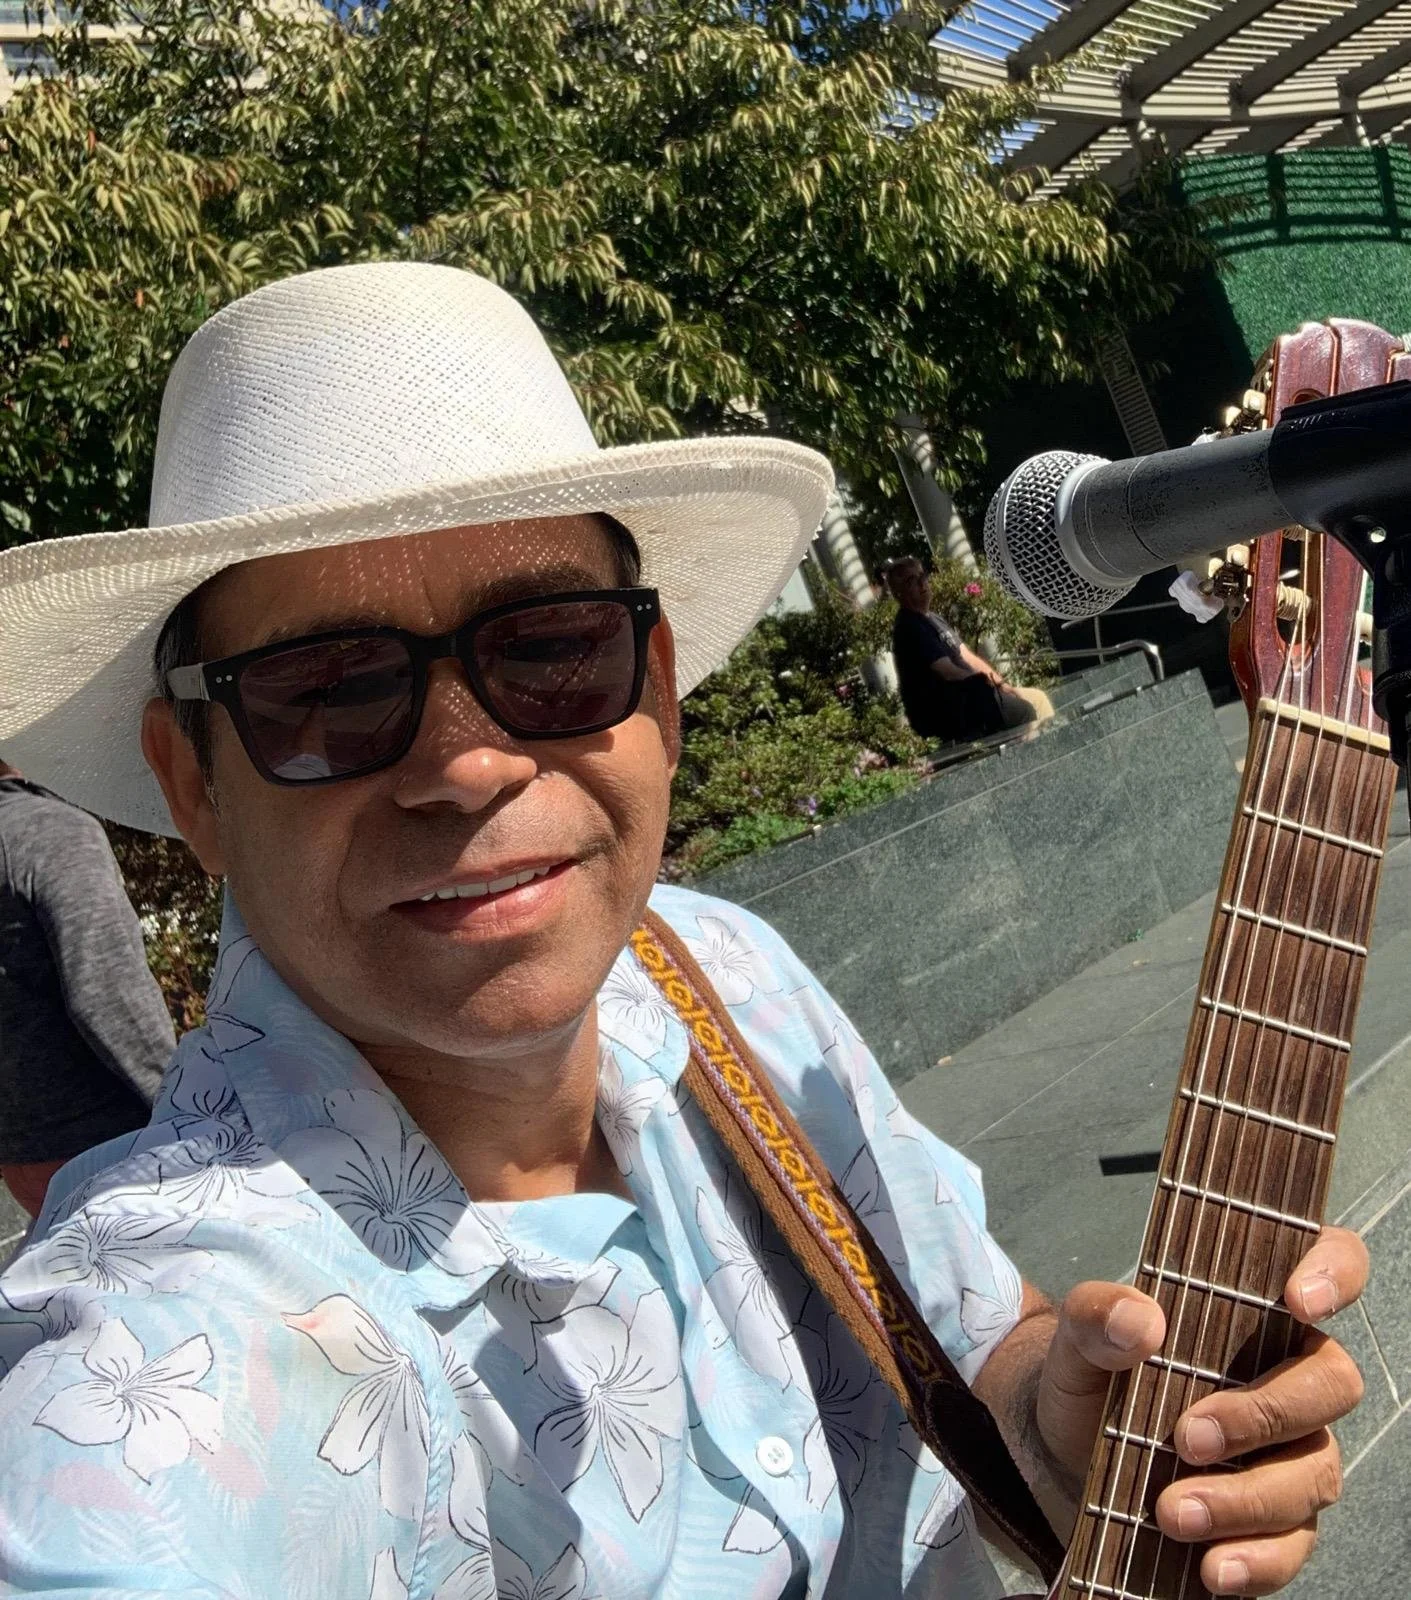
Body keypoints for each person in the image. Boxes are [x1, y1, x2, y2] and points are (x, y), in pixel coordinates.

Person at [0, 264, 1363, 1598]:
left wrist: (1073, 1437)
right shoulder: (160, 1358)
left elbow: (980, 1341)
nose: (464, 765)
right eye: (325, 688)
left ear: (651, 691)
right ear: (196, 782)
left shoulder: (714, 967)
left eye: (546, 647)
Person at [0, 762, 172, 1219]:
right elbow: (107, 996)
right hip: (118, 1152)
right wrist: (186, 1108)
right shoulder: (48, 830)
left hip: (25, 1166)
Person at [885, 555, 1050, 742]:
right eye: (911, 581)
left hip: (974, 696)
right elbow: (948, 671)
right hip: (951, 710)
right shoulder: (910, 627)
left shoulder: (933, 619)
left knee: (1038, 698)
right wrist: (987, 686)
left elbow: (968, 657)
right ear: (899, 593)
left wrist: (1002, 684)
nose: (922, 584)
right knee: (1024, 711)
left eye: (922, 577)